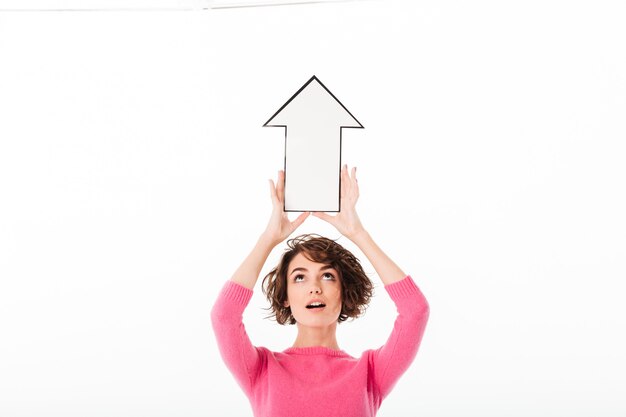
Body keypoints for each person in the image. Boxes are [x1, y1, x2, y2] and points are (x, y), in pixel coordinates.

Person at [211, 165, 430, 417]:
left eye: (327, 276)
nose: (315, 288)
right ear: (285, 297)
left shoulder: (370, 372)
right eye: (300, 277)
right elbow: (223, 316)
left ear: (343, 290)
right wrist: (269, 237)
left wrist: (357, 233)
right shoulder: (261, 370)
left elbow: (415, 310)